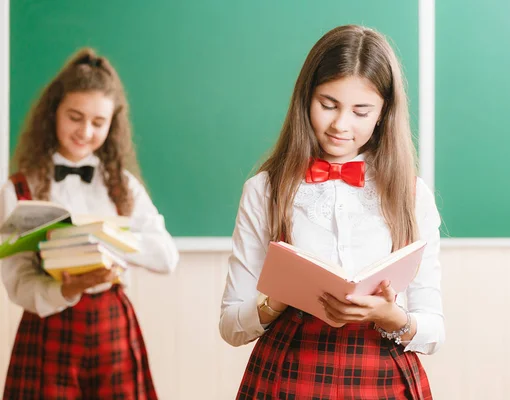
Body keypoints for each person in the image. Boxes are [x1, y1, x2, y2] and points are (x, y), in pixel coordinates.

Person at [220, 25, 445, 399]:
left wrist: (393, 318)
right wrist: (276, 299)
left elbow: (434, 331)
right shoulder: (265, 189)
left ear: (383, 113)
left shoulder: (412, 193)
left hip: (381, 374)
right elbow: (231, 326)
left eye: (361, 111)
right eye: (328, 104)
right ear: (305, 98)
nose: (341, 124)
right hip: (290, 373)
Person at [1, 47, 179, 399]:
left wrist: (107, 238)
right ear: (54, 112)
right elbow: (15, 280)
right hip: (48, 328)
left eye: (98, 123)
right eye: (75, 117)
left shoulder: (123, 185)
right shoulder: (21, 188)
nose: (85, 131)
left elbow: (166, 257)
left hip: (110, 323)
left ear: (113, 124)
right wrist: (64, 290)